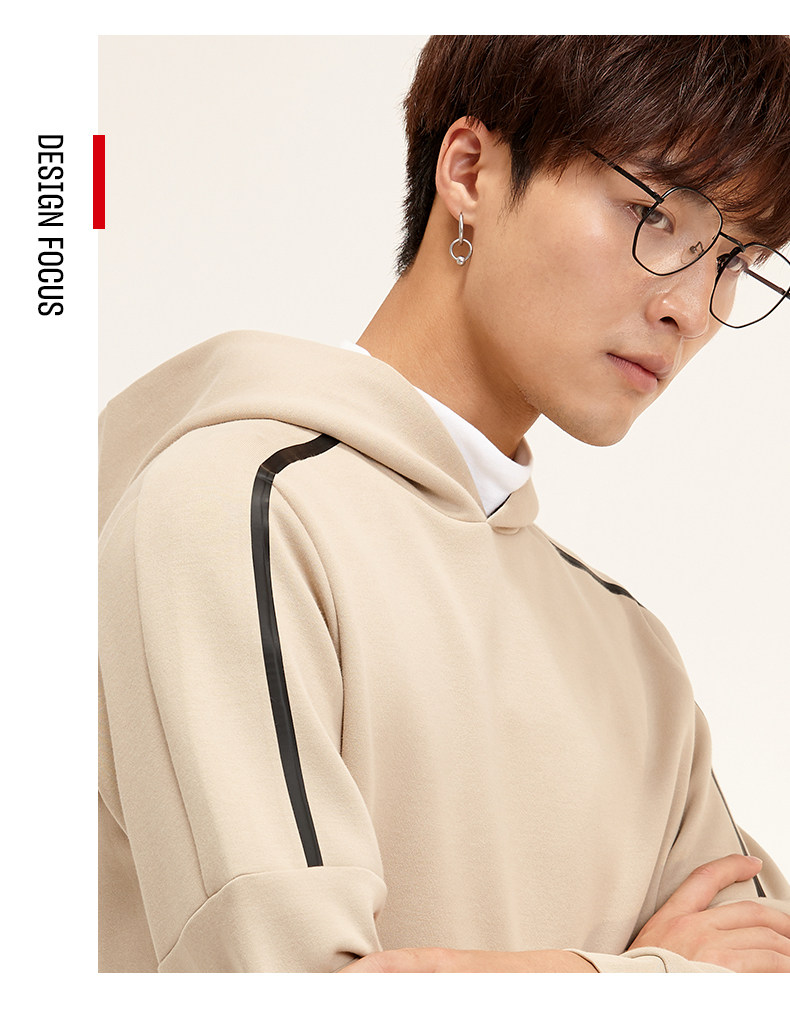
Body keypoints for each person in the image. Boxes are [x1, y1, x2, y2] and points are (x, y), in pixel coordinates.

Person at [98, 35, 790, 973]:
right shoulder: (238, 514)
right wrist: (645, 976)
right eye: (653, 214)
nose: (692, 307)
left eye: (736, 259)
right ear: (469, 171)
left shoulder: (631, 651)